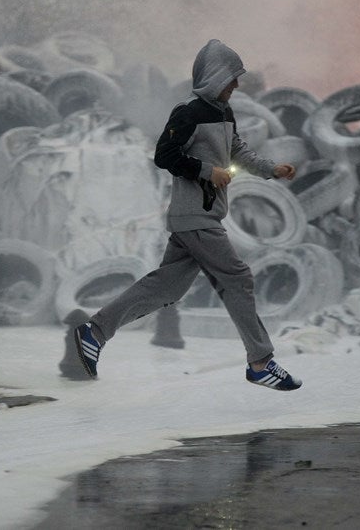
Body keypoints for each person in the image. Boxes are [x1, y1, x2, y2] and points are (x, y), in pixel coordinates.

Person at [72, 39, 302, 391]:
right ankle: (260, 362)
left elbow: (237, 151)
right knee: (237, 277)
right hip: (195, 215)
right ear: (215, 76)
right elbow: (164, 155)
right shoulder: (188, 113)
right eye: (232, 77)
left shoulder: (224, 113)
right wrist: (208, 172)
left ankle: (95, 332)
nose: (236, 84)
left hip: (202, 216)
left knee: (168, 286)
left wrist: (272, 169)